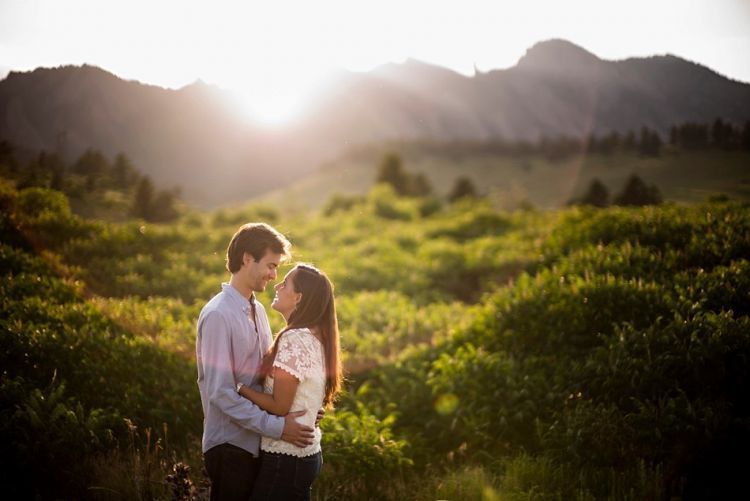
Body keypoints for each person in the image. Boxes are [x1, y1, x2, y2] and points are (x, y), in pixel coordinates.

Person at [196, 223, 317, 501]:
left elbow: (263, 379)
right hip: (230, 446)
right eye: (271, 265)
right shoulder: (217, 315)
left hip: (257, 443)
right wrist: (279, 427)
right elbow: (221, 393)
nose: (274, 276)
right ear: (247, 258)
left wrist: (300, 408)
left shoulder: (259, 310)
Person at [237, 263, 342, 500]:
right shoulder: (314, 336)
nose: (278, 285)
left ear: (298, 297)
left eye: (286, 283)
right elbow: (305, 394)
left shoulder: (295, 339)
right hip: (304, 455)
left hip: (286, 458)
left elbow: (280, 406)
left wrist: (240, 388)